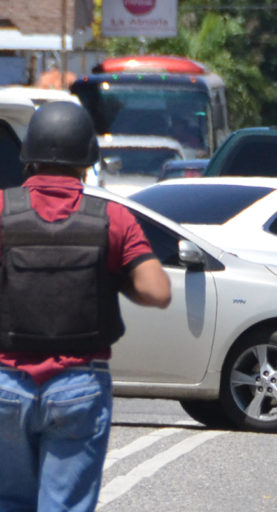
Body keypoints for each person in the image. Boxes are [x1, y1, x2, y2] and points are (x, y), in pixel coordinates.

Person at [0, 101, 171, 511]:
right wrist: (113, 277)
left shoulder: (2, 209)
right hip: (79, 383)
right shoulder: (112, 218)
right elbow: (157, 291)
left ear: (29, 157)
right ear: (87, 161)